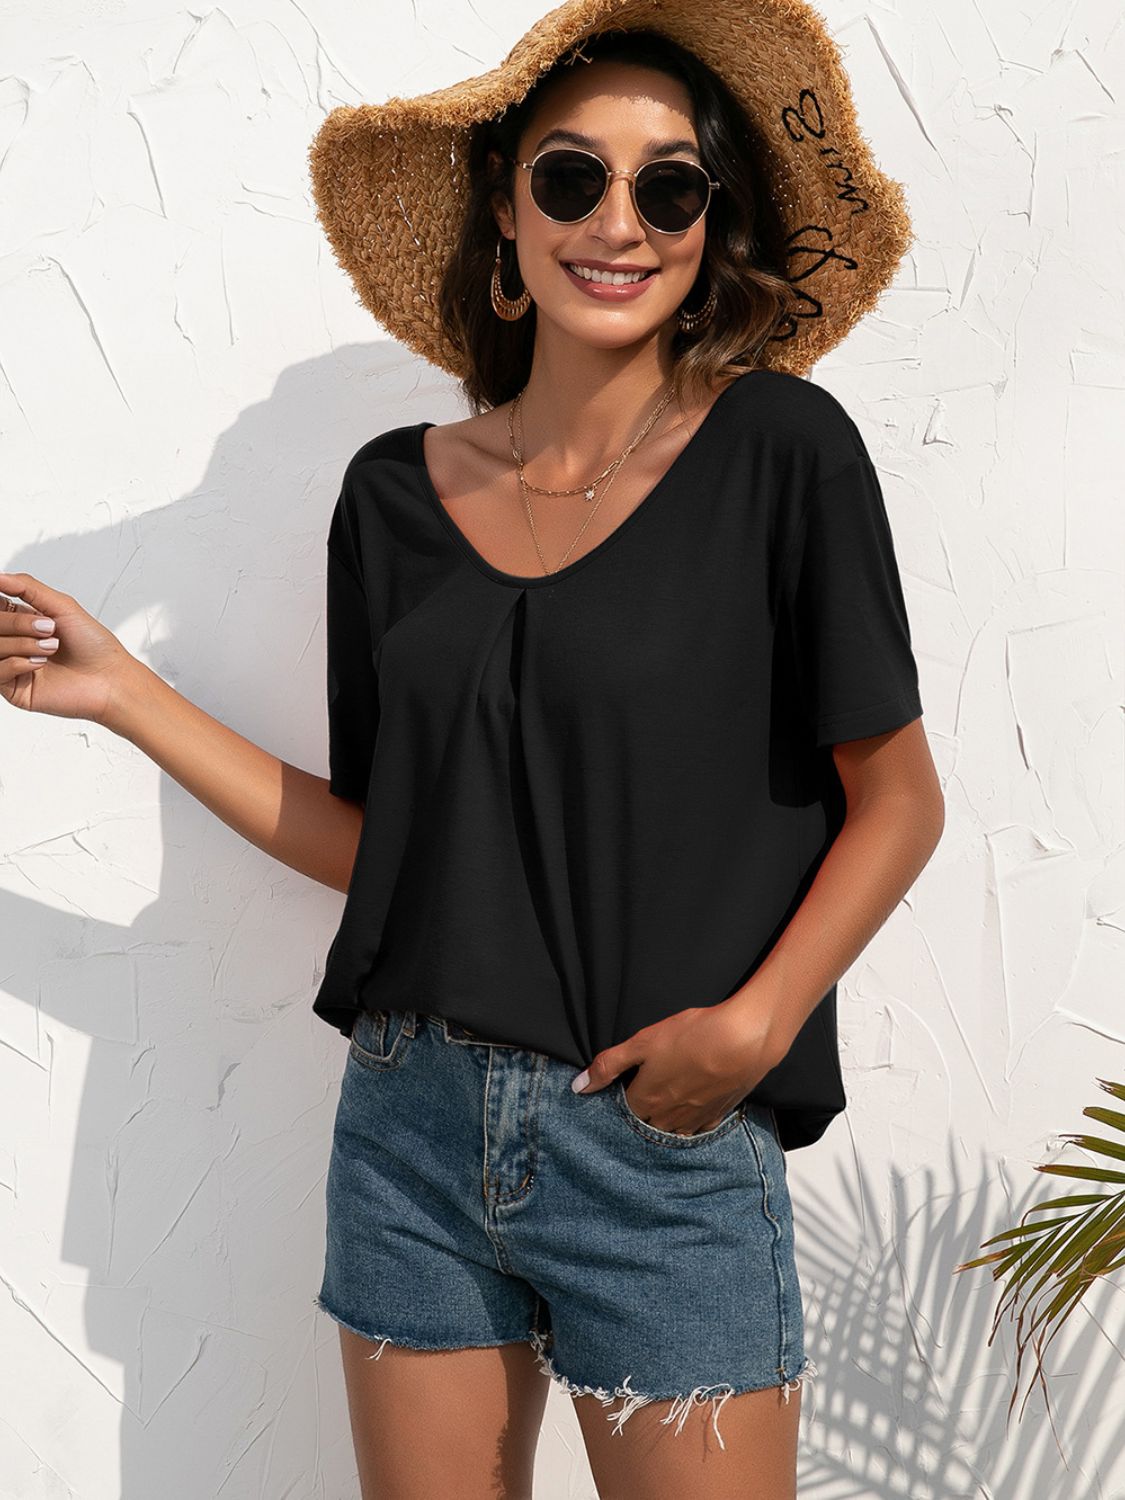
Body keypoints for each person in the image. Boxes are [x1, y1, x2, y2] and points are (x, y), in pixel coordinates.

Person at [0, 3, 944, 1496]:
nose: (617, 222)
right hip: (411, 1133)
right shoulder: (391, 495)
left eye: (668, 187)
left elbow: (897, 799)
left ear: (709, 226)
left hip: (660, 1144)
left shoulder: (782, 450)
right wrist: (125, 696)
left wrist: (755, 1029)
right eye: (571, 177)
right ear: (505, 210)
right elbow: (394, 851)